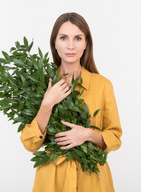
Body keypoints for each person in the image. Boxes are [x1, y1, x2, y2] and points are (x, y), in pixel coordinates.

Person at [20, 12, 122, 192]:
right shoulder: (39, 84)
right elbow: (30, 144)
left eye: (77, 38)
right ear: (54, 43)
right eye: (63, 37)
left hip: (92, 179)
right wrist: (47, 104)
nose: (70, 45)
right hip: (52, 180)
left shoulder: (103, 85)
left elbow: (114, 137)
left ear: (86, 44)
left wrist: (88, 134)